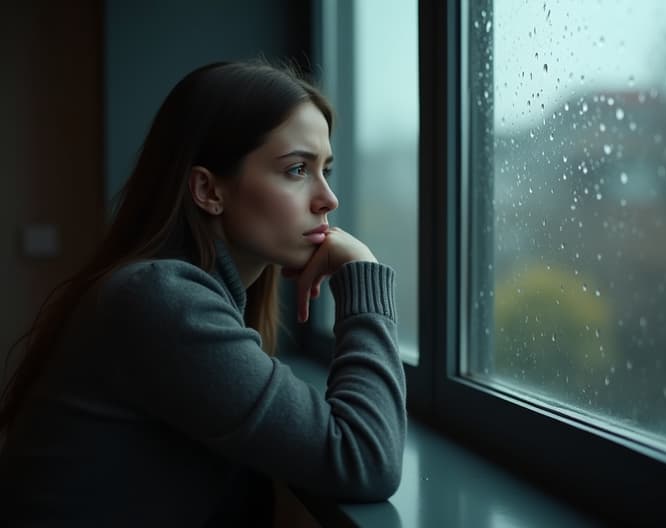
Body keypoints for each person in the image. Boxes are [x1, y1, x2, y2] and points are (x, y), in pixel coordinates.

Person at [0, 60, 406, 526]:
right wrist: (362, 274)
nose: (328, 198)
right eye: (297, 169)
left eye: (325, 169)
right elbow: (366, 458)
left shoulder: (173, 295)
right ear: (208, 190)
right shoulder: (160, 301)